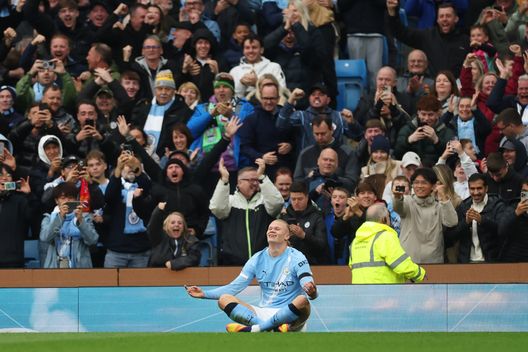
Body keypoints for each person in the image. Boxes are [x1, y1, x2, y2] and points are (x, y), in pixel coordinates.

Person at [185, 219, 318, 333]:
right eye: (270, 228)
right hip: (263, 313)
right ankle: (268, 327)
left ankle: (258, 329)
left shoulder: (296, 256)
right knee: (224, 299)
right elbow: (234, 287)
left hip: (290, 318)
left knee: (302, 300)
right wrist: (204, 294)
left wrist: (312, 292)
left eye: (277, 229)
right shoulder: (257, 258)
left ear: (287, 236)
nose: (272, 230)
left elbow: (308, 284)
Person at [209, 158, 284, 265]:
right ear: (239, 183)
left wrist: (262, 177)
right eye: (251, 180)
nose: (255, 183)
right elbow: (217, 208)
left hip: (265, 262)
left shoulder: (264, 200)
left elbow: (277, 204)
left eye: (256, 180)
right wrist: (224, 180)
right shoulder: (230, 201)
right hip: (233, 264)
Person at [393, 167, 458, 263]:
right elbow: (398, 208)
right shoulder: (407, 201)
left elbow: (452, 222)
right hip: (408, 261)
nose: (419, 186)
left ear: (433, 186)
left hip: (434, 261)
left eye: (424, 183)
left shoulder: (439, 206)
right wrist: (397, 197)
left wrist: (444, 197)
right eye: (416, 182)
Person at [387, 0, 469, 76]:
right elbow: (401, 33)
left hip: (458, 87)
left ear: (456, 19)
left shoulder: (465, 40)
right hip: (433, 86)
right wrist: (392, 12)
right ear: (437, 20)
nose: (444, 19)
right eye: (441, 16)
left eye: (448, 16)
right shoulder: (428, 36)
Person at [350, 203, 426, 284]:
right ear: (384, 219)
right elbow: (400, 264)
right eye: (389, 218)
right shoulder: (385, 236)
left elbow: (352, 266)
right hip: (384, 292)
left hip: (359, 293)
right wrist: (419, 274)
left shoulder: (355, 241)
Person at [445, 173, 506, 263]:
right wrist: (466, 223)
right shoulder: (463, 207)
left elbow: (503, 230)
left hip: (491, 261)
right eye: (472, 189)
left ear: (486, 188)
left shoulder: (497, 205)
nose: (476, 192)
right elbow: (451, 236)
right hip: (466, 261)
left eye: (479, 188)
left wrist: (482, 220)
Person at [40, 182, 99, 268]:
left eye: (70, 198)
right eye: (63, 198)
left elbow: (93, 240)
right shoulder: (49, 218)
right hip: (55, 268)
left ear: (76, 199)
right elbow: (45, 237)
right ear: (56, 200)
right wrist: (60, 217)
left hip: (80, 269)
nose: (67, 201)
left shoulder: (85, 217)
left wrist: (81, 221)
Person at [279, 181, 329, 265]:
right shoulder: (284, 217)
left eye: (300, 199)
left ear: (307, 197)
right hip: (288, 266)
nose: (296, 202)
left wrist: (303, 235)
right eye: (293, 199)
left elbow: (322, 245)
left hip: (312, 265)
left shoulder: (316, 216)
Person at [147, 205, 201, 270]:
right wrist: (158, 210)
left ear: (184, 226)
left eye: (180, 223)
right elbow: (152, 227)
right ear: (166, 226)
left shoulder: (190, 240)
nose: (176, 225)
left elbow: (194, 258)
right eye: (172, 223)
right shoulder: (159, 237)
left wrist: (174, 264)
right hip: (157, 276)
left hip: (184, 278)